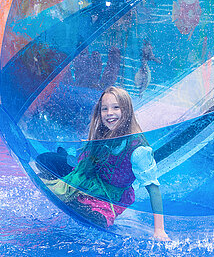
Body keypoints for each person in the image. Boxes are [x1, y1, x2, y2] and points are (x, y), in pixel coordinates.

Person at [38, 86, 169, 241]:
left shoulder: (138, 150)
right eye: (104, 109)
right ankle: (64, 156)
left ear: (126, 111)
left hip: (109, 199)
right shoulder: (104, 133)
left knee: (88, 217)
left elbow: (153, 189)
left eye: (116, 108)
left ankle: (68, 166)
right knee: (43, 160)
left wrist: (159, 230)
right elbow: (85, 164)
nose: (109, 113)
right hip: (89, 181)